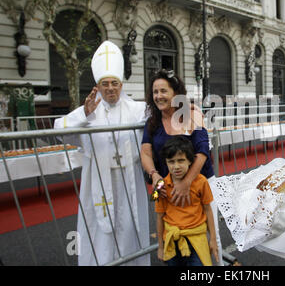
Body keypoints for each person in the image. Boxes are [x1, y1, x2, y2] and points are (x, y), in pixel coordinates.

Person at [54, 40, 150, 266]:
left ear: (121, 84)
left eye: (114, 83)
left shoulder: (136, 109)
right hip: (97, 180)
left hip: (130, 179)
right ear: (98, 85)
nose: (110, 88)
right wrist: (83, 117)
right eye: (105, 83)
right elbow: (60, 130)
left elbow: (162, 112)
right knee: (100, 232)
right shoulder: (89, 109)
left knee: (130, 228)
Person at [140, 69, 224, 265]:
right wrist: (154, 176)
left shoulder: (191, 113)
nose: (158, 96)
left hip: (200, 182)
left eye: (163, 91)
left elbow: (203, 152)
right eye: (155, 92)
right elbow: (145, 153)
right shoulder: (152, 122)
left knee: (212, 234)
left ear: (175, 92)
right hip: (167, 185)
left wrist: (186, 182)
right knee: (170, 224)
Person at [156, 136, 219, 266]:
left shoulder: (201, 182)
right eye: (171, 162)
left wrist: (213, 239)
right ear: (166, 162)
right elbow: (159, 216)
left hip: (197, 239)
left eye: (181, 160)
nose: (176, 166)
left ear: (190, 161)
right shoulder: (161, 186)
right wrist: (161, 247)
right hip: (171, 240)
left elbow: (208, 210)